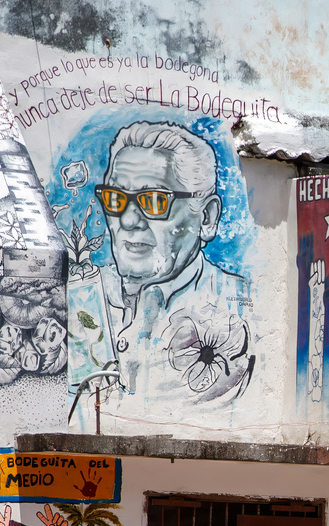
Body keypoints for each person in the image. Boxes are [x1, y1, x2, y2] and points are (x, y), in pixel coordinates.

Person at [94, 122, 250, 379]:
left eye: (154, 201)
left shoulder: (242, 304)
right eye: (115, 199)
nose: (128, 220)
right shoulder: (82, 295)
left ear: (207, 218)